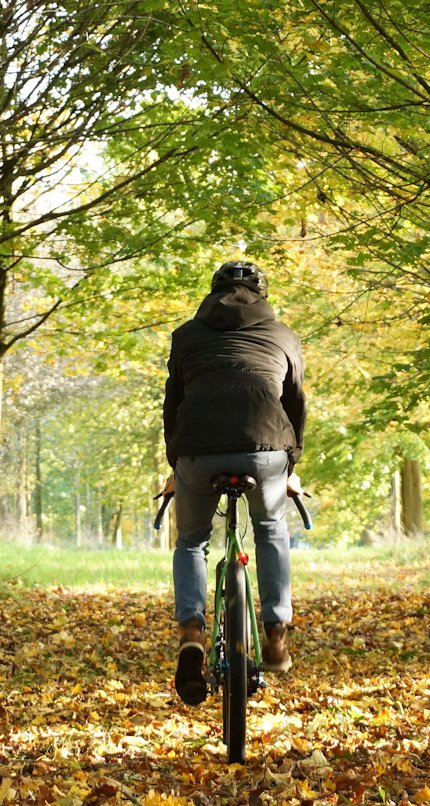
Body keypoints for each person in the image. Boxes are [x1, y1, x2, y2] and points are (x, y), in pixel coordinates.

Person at [161, 260, 306, 706]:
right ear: (262, 295)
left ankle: (190, 633)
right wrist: (290, 464)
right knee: (270, 529)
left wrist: (177, 465)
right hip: (266, 451)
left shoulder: (186, 336)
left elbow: (174, 405)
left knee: (190, 541)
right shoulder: (283, 336)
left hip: (197, 450)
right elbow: (295, 404)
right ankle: (276, 632)